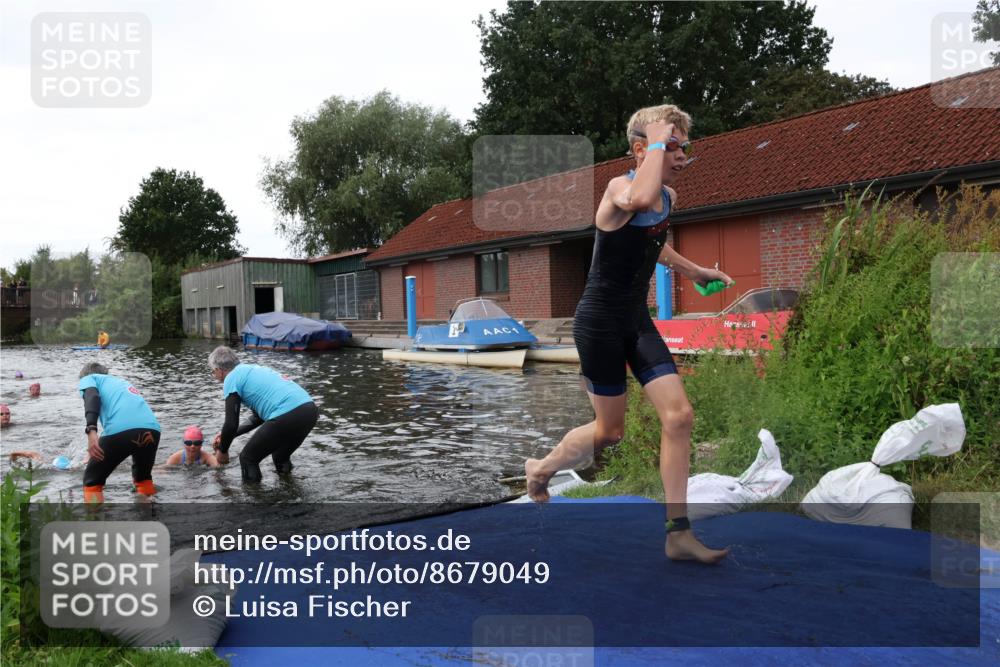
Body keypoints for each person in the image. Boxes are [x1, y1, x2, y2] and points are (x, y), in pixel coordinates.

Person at [524, 106, 732, 564]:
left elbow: (654, 241)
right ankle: (540, 468)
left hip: (636, 321)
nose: (681, 155)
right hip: (597, 322)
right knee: (610, 431)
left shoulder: (669, 197)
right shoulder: (619, 188)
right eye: (672, 145)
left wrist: (694, 270)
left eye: (683, 146)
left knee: (678, 418)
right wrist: (655, 142)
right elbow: (638, 199)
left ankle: (678, 533)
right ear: (642, 148)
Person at [207, 346, 318, 483]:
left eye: (213, 372)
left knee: (248, 458)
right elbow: (258, 417)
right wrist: (228, 435)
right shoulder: (251, 369)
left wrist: (223, 450)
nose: (214, 376)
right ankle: (290, 491)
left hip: (288, 413)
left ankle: (254, 500)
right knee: (280, 456)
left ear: (219, 370)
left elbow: (231, 423)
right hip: (309, 410)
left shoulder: (231, 378)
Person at [78, 362, 161, 503]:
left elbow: (92, 397)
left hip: (123, 430)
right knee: (143, 478)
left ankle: (94, 520)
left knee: (92, 481)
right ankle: (147, 514)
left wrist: (91, 429)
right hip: (152, 429)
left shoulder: (89, 378)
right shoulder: (121, 383)